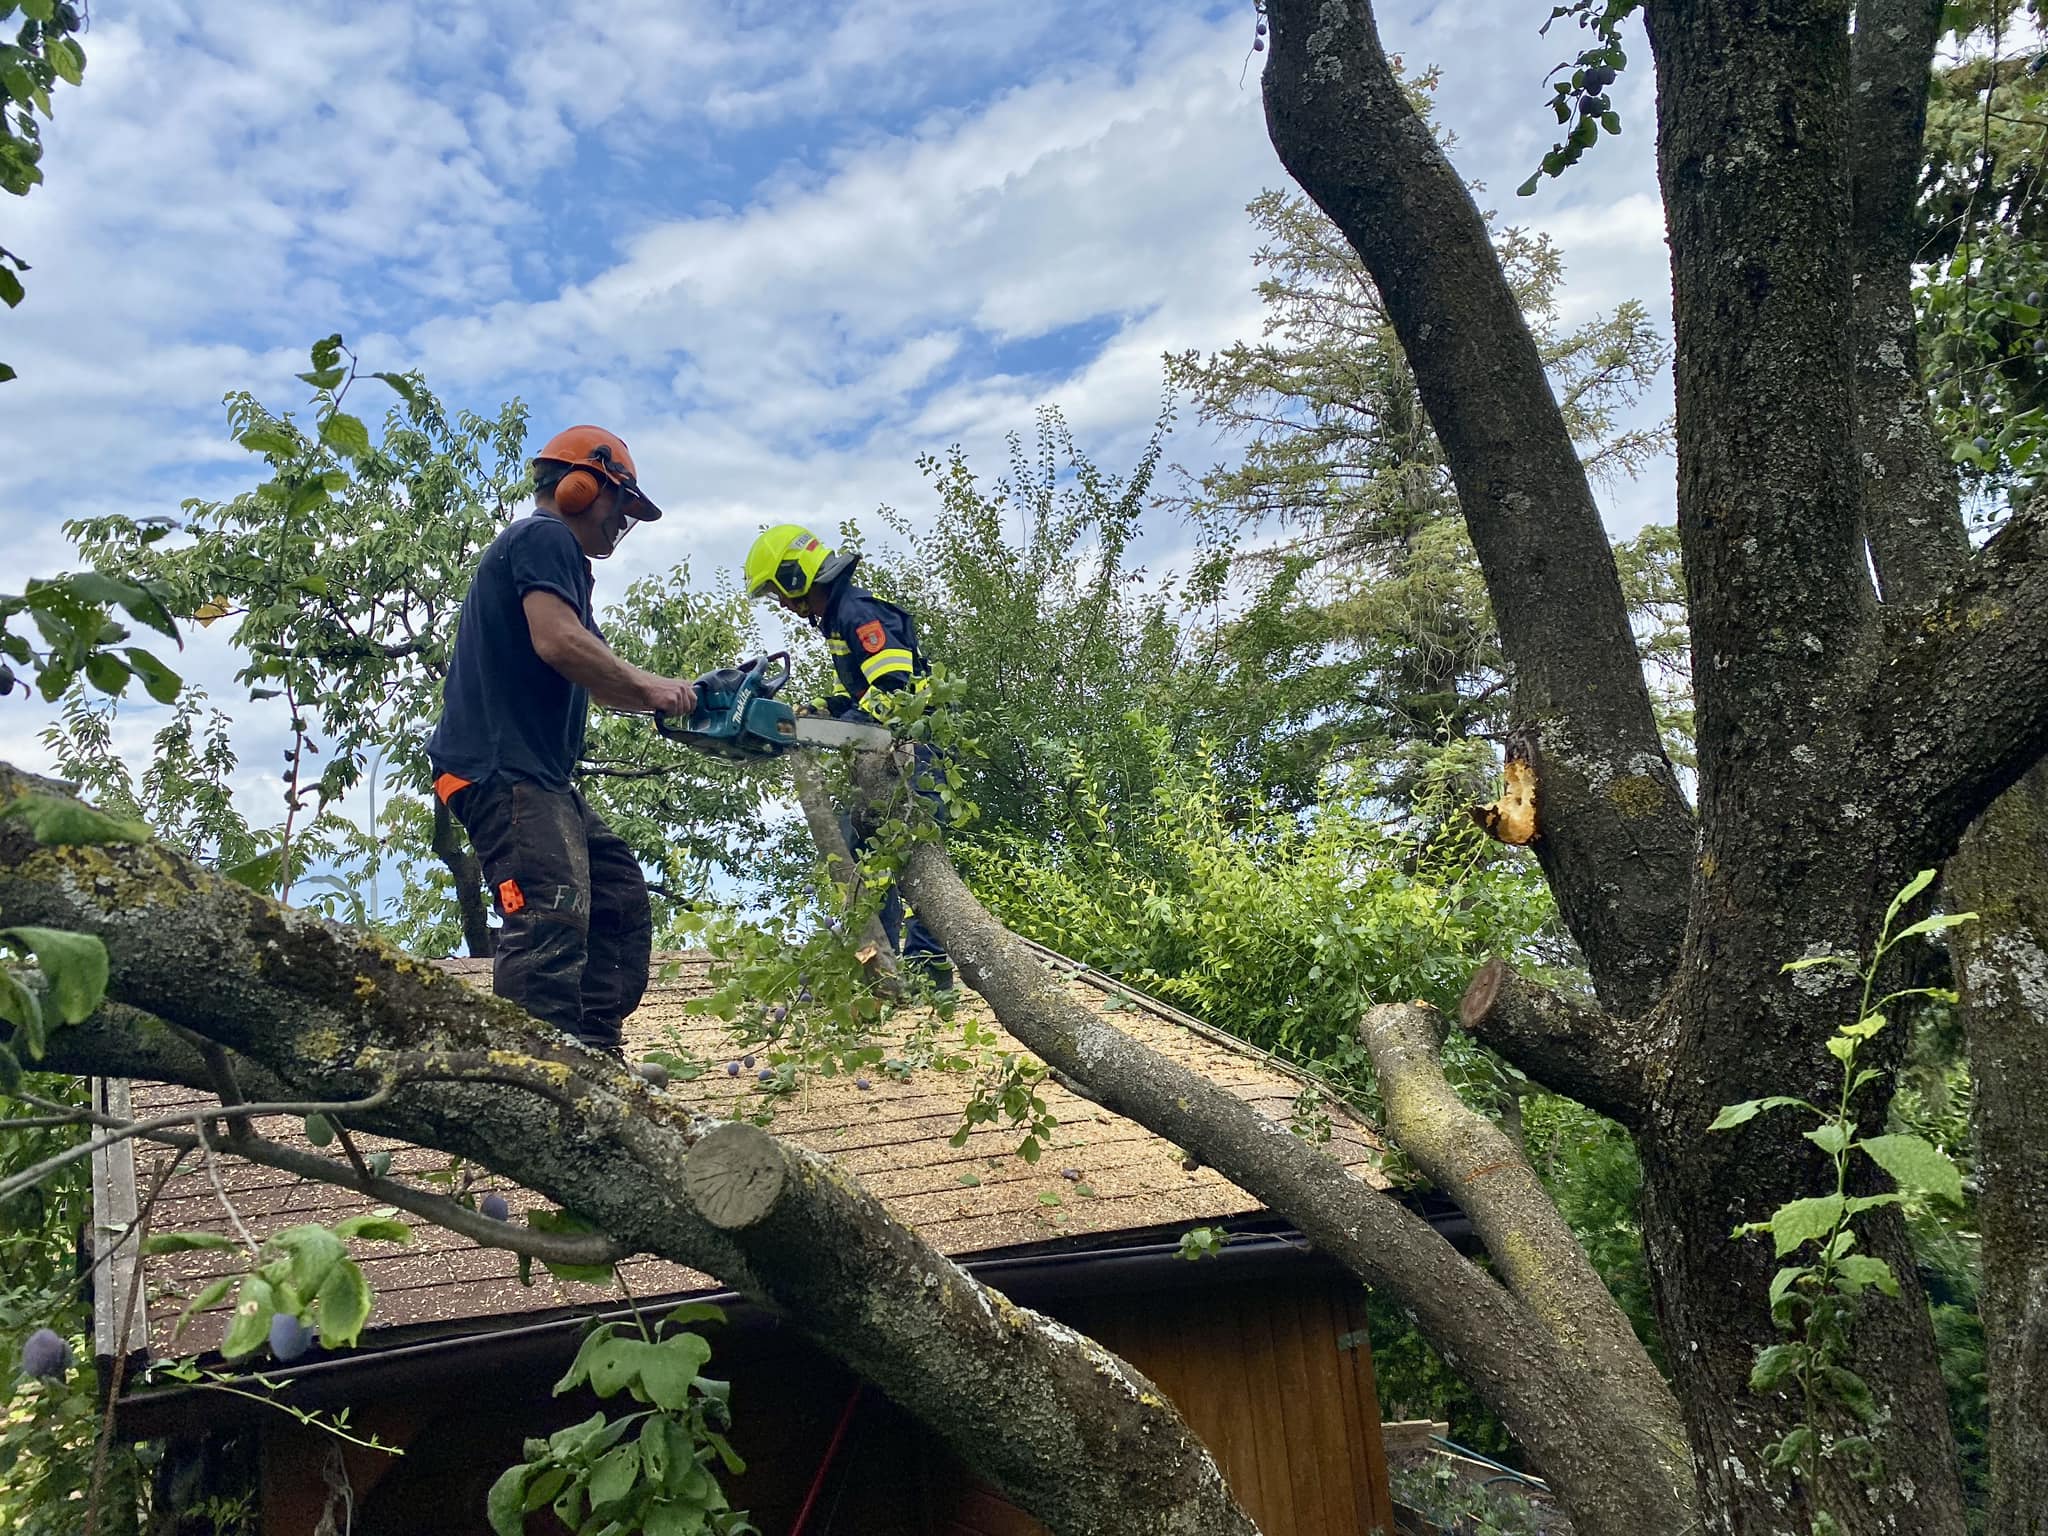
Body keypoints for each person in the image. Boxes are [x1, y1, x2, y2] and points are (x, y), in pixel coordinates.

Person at [426, 425, 697, 1053]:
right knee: (548, 910)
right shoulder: (544, 536)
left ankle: (593, 1054)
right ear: (581, 487)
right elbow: (558, 642)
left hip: (539, 777)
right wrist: (655, 687)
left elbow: (600, 682)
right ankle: (534, 1077)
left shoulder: (561, 562)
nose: (620, 522)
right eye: (619, 504)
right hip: (499, 768)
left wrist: (682, 697)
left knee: (615, 894)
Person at [742, 523, 954, 992]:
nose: (783, 603)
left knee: (917, 857)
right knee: (859, 848)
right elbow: (860, 693)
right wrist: (824, 711)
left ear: (796, 577)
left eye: (779, 591)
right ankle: (878, 961)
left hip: (912, 753)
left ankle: (929, 970)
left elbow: (895, 692)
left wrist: (848, 724)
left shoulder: (859, 613)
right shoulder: (839, 621)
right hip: (885, 756)